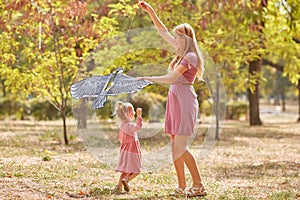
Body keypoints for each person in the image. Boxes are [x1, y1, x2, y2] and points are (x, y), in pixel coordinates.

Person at [137, 1, 207, 197]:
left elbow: (171, 78)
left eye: (177, 37)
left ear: (185, 39)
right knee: (175, 145)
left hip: (184, 101)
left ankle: (199, 184)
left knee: (180, 146)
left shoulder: (190, 57)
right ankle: (182, 186)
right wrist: (150, 11)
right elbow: (162, 31)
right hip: (175, 99)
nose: (174, 40)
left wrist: (147, 78)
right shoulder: (180, 53)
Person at [114, 101, 143, 193]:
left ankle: (119, 186)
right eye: (133, 110)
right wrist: (139, 116)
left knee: (125, 170)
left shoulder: (122, 126)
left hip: (125, 151)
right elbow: (138, 127)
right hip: (133, 151)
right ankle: (127, 180)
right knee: (137, 170)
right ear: (127, 114)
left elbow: (120, 139)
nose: (134, 112)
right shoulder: (130, 125)